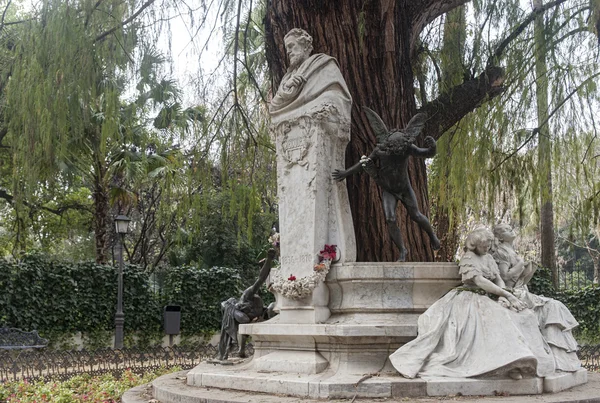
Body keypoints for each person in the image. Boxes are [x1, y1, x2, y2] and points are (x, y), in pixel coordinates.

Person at [389, 228, 555, 379]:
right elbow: (480, 281)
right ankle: (506, 364)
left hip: (493, 295)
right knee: (498, 318)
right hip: (471, 297)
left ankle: (519, 361)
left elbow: (498, 278)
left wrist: (505, 295)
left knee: (523, 316)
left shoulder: (489, 257)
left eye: (489, 244)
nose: (488, 248)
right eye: (484, 245)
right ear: (475, 244)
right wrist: (503, 294)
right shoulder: (468, 258)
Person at [332, 108, 440, 261]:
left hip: (405, 188)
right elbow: (363, 164)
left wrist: (433, 147)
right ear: (388, 146)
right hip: (389, 190)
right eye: (394, 149)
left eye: (400, 149)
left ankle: (432, 235)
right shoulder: (380, 151)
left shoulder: (407, 148)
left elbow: (426, 154)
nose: (397, 152)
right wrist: (345, 173)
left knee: (415, 215)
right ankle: (402, 250)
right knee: (390, 218)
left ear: (404, 145)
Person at [492, 224, 581, 372]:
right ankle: (556, 356)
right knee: (553, 306)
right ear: (500, 237)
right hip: (513, 293)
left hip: (521, 290)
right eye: (506, 230)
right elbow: (504, 277)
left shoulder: (511, 250)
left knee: (555, 306)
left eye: (510, 227)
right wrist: (521, 264)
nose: (511, 229)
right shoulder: (501, 252)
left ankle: (559, 356)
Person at [216, 249, 277, 361]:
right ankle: (240, 350)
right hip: (244, 316)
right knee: (244, 319)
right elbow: (260, 279)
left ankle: (241, 351)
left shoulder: (256, 299)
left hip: (256, 316)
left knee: (272, 308)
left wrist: (267, 263)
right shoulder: (248, 294)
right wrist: (269, 260)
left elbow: (263, 278)